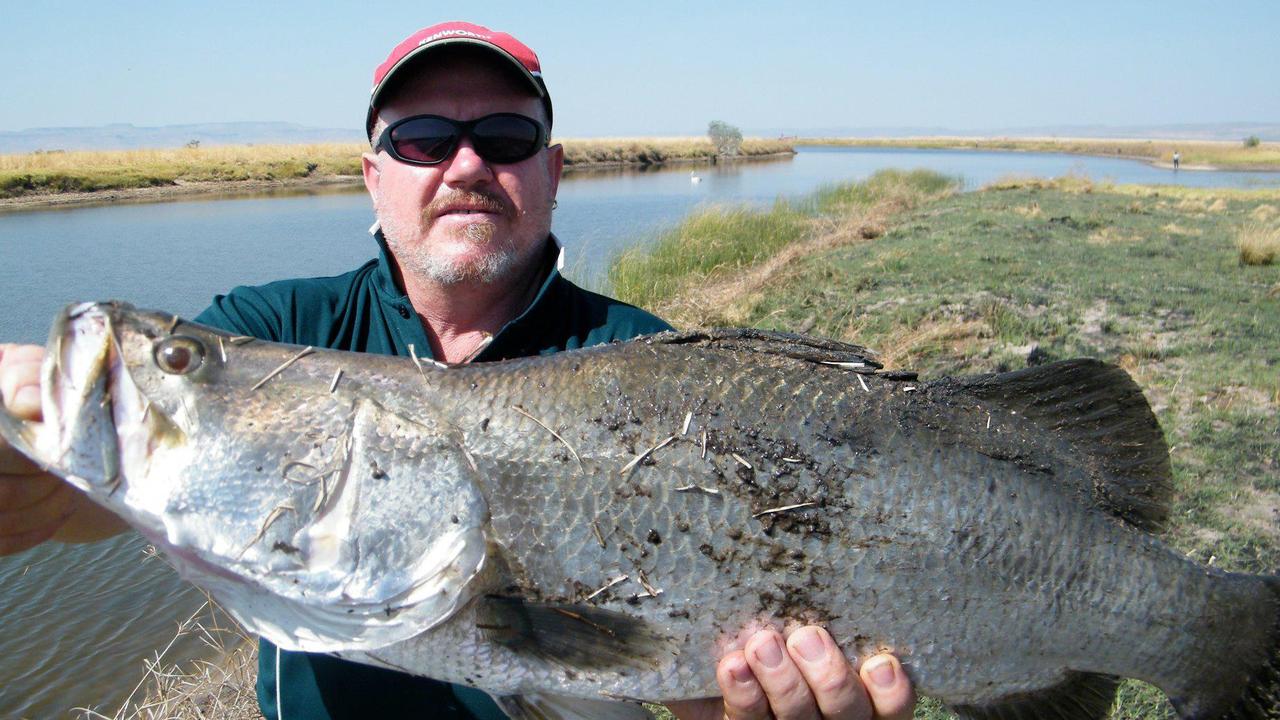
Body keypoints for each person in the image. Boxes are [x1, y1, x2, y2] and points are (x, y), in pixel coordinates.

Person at [0, 21, 915, 720]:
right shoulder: (276, 327)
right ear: (372, 175)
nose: (467, 165)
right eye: (425, 139)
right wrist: (31, 468)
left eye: (507, 139)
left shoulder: (653, 366)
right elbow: (96, 497)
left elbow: (667, 686)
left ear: (552, 173)